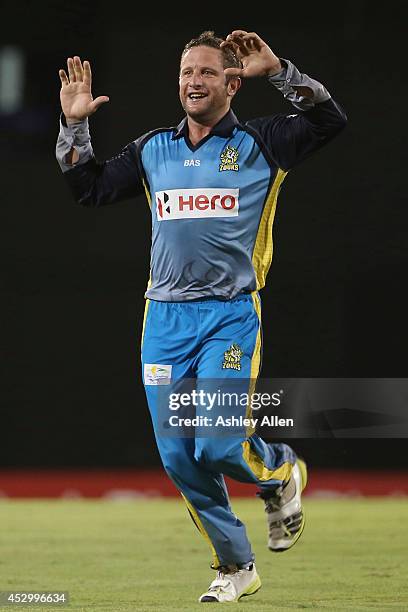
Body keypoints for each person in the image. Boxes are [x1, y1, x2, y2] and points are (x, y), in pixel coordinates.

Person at [56, 30, 346, 603]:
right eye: (187, 71)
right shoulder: (153, 149)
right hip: (163, 323)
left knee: (216, 445)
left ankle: (280, 470)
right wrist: (75, 125)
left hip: (229, 318)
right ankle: (236, 567)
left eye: (208, 72)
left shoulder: (265, 142)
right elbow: (87, 188)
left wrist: (281, 70)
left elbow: (330, 121)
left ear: (233, 84)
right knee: (178, 458)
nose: (194, 81)